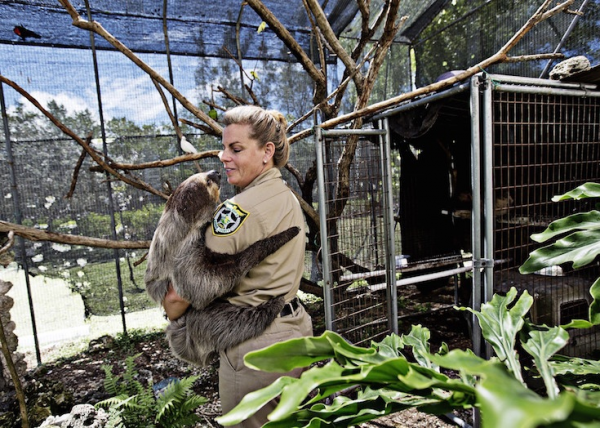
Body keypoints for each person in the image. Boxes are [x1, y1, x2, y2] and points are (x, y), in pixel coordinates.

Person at [163, 105, 313, 427]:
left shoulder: (238, 210)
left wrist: (171, 308)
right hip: (296, 329)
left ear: (266, 152)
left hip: (256, 348)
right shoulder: (285, 195)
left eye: (236, 149)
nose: (223, 157)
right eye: (224, 148)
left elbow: (182, 296)